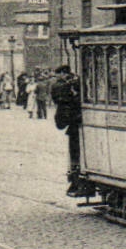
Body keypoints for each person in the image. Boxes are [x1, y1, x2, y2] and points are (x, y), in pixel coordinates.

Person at [50, 65, 86, 194]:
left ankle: (75, 178)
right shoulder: (64, 85)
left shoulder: (63, 86)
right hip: (75, 122)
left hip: (74, 123)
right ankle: (75, 177)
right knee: (76, 152)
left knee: (75, 152)